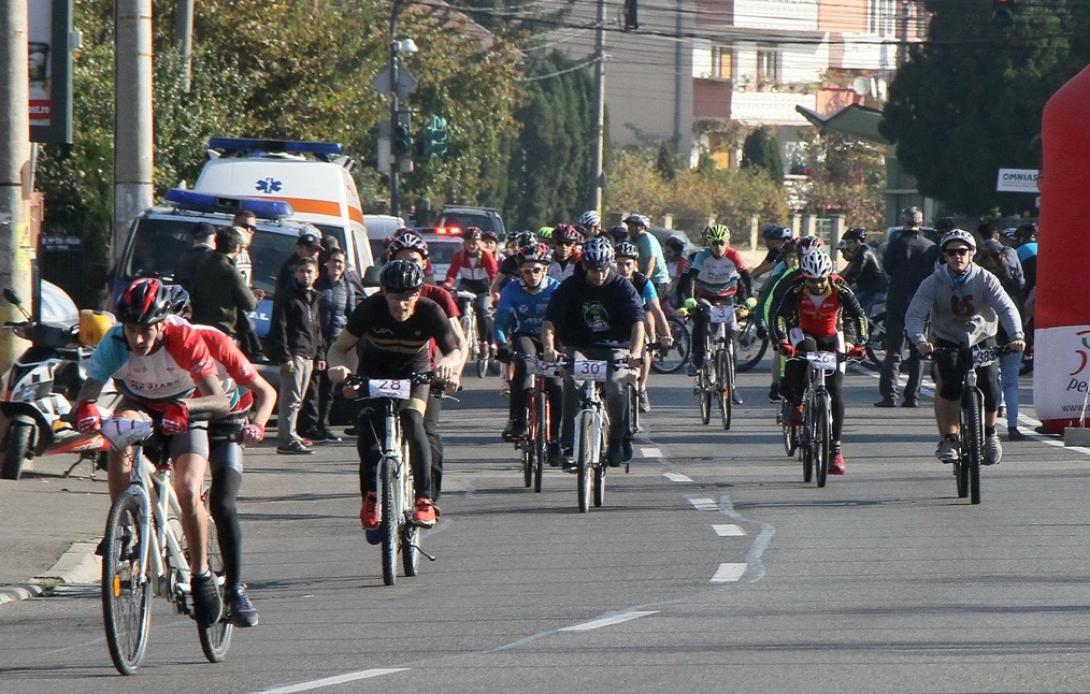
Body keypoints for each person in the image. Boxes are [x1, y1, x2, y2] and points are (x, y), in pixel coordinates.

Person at [74, 278, 230, 628]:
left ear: (162, 324)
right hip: (140, 407)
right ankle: (124, 526)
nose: (139, 339)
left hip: (187, 411)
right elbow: (88, 393)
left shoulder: (184, 338)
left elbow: (219, 400)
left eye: (147, 330)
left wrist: (186, 409)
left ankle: (202, 573)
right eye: (132, 329)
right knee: (117, 430)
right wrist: (83, 409)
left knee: (188, 489)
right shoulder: (114, 341)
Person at [165, 286, 274, 627]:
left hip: (227, 419)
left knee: (223, 503)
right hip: (186, 419)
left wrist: (258, 423)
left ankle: (237, 589)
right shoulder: (154, 352)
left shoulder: (214, 341)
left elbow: (265, 391)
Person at [327, 260, 462, 529]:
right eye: (394, 297)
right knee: (368, 427)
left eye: (408, 296)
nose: (401, 304)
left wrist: (448, 365)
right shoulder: (369, 309)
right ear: (383, 292)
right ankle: (371, 496)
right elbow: (338, 347)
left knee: (413, 420)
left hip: (415, 370)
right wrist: (337, 367)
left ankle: (424, 499)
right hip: (375, 369)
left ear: (418, 292)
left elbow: (453, 351)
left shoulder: (430, 310)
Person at [905, 229, 1025, 466]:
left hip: (982, 338)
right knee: (948, 385)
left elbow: (1006, 309)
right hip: (948, 339)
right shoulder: (933, 282)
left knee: (990, 384)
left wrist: (1016, 336)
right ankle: (950, 438)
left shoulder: (986, 279)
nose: (957, 257)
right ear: (944, 256)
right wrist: (920, 340)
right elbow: (915, 314)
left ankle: (990, 434)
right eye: (951, 252)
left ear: (971, 254)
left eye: (962, 251)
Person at [542, 237, 645, 468]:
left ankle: (617, 439)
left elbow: (637, 323)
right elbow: (550, 321)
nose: (598, 276)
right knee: (571, 381)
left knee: (615, 385)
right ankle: (568, 443)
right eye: (593, 270)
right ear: (585, 266)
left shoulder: (622, 286)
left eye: (603, 270)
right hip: (579, 346)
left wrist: (635, 354)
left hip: (614, 347)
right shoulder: (570, 286)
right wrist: (549, 348)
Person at [772, 251, 867, 475]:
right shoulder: (795, 287)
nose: (816, 285)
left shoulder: (840, 288)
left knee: (835, 389)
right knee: (804, 354)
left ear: (829, 276)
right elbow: (780, 316)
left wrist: (859, 344)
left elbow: (859, 316)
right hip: (804, 333)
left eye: (821, 280)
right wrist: (783, 341)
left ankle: (835, 448)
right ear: (805, 277)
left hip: (833, 334)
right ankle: (796, 401)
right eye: (811, 280)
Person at [389, 232, 467, 501]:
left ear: (424, 263)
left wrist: (453, 371)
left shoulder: (438, 297)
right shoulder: (385, 295)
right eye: (402, 260)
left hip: (428, 373)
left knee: (426, 429)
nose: (409, 265)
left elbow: (458, 341)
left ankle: (428, 498)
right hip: (387, 372)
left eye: (414, 260)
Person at [494, 242, 563, 455]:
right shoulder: (511, 290)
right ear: (519, 271)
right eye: (526, 271)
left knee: (556, 383)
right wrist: (502, 344)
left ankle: (555, 438)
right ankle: (517, 421)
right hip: (525, 335)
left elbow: (568, 320)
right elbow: (500, 323)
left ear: (546, 270)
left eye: (537, 270)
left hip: (552, 338)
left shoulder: (556, 289)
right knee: (524, 364)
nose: (532, 275)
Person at [682, 224, 752, 407]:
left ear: (727, 243)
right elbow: (691, 277)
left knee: (731, 339)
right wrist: (690, 299)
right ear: (709, 243)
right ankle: (697, 358)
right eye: (714, 243)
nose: (718, 247)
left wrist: (749, 299)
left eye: (722, 243)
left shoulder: (734, 255)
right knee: (700, 319)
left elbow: (746, 277)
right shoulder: (702, 256)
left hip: (727, 297)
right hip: (705, 296)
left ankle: (732, 386)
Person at [877, 207, 938, 408]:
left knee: (894, 351)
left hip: (898, 301)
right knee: (918, 351)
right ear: (921, 222)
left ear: (903, 221)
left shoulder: (895, 244)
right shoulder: (930, 246)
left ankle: (890, 395)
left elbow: (888, 268)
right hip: (922, 302)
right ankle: (913, 396)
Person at [268, 257, 325, 455]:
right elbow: (279, 327)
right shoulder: (287, 297)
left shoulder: (314, 298)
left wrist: (320, 354)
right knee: (290, 397)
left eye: (309, 271)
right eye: (301, 271)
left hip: (309, 353)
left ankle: (292, 432)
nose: (305, 275)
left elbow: (317, 328)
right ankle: (287, 438)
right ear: (295, 274)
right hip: (294, 352)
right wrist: (285, 356)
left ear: (317, 274)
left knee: (299, 397)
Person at [976, 239, 1027, 441]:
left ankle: (988, 424)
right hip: (1012, 335)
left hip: (988, 337)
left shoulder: (979, 281)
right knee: (1011, 382)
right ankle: (1013, 426)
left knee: (986, 380)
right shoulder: (1014, 282)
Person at [614, 241, 673, 413]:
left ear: (635, 265)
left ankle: (641, 389)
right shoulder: (611, 280)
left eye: (628, 264)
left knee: (646, 345)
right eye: (619, 264)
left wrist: (666, 334)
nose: (624, 269)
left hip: (639, 316)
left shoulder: (644, 282)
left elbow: (657, 310)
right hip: (617, 320)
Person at [311, 248, 357, 443]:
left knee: (330, 389)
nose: (337, 265)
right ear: (326, 263)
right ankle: (311, 426)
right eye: (334, 261)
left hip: (338, 342)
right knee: (314, 387)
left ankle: (324, 425)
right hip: (317, 341)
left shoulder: (347, 288)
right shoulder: (318, 285)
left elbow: (353, 316)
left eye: (340, 262)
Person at [191, 226, 258, 337]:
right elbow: (250, 305)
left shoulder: (202, 264)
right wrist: (255, 297)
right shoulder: (230, 271)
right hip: (221, 331)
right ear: (237, 248)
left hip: (198, 326)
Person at [443, 227, 499, 352]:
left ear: (480, 242)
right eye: (468, 242)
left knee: (482, 310)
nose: (472, 245)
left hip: (483, 287)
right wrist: (448, 284)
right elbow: (452, 273)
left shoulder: (486, 256)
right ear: (464, 243)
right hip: (466, 285)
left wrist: (494, 292)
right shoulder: (459, 255)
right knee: (457, 308)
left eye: (475, 242)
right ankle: (457, 338)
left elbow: (493, 275)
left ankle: (485, 341)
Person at [837, 227, 887, 316]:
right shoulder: (858, 253)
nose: (848, 246)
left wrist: (840, 285)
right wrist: (835, 279)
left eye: (850, 243)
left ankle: (862, 326)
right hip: (865, 287)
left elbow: (853, 275)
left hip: (876, 290)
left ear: (858, 242)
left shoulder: (864, 252)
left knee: (857, 309)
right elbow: (847, 271)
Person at [623, 213, 670, 299]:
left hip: (656, 280)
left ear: (641, 227)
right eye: (629, 225)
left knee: (649, 308)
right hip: (641, 279)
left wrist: (645, 281)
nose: (629, 228)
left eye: (632, 225)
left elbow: (651, 261)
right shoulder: (632, 240)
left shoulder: (647, 239)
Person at [275, 227, 323, 296]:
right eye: (309, 250)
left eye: (316, 250)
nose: (313, 253)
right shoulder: (291, 268)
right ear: (299, 248)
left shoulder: (318, 264)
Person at [173, 222, 215, 292]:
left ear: (194, 237)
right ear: (214, 237)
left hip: (183, 299)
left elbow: (177, 283)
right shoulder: (217, 258)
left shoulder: (184, 257)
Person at [663, 236, 689, 308]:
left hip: (678, 292)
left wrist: (666, 296)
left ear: (677, 251)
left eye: (669, 252)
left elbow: (676, 283)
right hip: (667, 289)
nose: (666, 254)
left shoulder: (682, 263)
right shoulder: (667, 262)